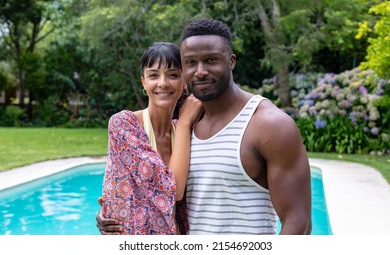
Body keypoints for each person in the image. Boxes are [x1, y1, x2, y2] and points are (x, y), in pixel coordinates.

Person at [97, 19, 312, 235]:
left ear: (231, 61)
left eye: (211, 60)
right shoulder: (188, 127)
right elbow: (156, 194)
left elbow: (298, 223)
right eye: (190, 62)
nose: (200, 71)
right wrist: (113, 212)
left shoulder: (269, 124)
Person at [99, 42, 203, 235]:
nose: (163, 83)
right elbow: (173, 190)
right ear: (143, 82)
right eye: (153, 75)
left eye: (173, 75)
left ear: (184, 82)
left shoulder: (186, 130)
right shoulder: (124, 124)